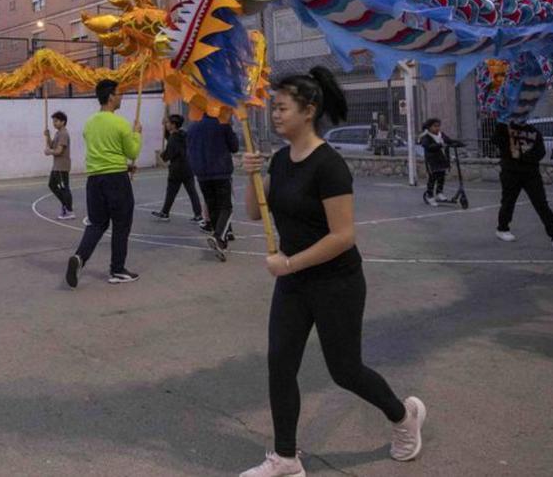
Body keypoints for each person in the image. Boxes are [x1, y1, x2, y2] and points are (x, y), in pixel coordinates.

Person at [239, 67, 425, 476]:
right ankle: (286, 459)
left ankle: (403, 415)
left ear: (308, 111)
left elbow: (342, 237)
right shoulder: (280, 160)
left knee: (345, 371)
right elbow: (255, 213)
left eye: (282, 107)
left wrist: (288, 263)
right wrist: (251, 176)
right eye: (273, 107)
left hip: (335, 282)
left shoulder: (330, 165)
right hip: (293, 284)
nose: (274, 114)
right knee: (280, 364)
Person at [65, 79, 143, 288]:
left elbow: (103, 153)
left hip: (94, 180)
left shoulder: (90, 123)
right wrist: (137, 133)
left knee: (97, 223)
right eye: (119, 93)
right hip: (116, 180)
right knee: (121, 224)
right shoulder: (121, 123)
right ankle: (117, 269)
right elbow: (132, 152)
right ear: (110, 96)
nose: (121, 97)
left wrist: (125, 166)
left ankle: (80, 257)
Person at [493, 120, 553, 247]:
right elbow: (497, 141)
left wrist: (524, 158)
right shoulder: (504, 128)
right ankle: (502, 228)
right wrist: (502, 123)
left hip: (531, 173)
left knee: (541, 203)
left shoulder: (534, 131)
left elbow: (540, 151)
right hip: (510, 172)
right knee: (508, 201)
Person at [188, 113, 239, 261]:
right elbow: (234, 147)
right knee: (226, 207)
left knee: (212, 206)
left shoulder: (192, 128)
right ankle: (219, 236)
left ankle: (221, 242)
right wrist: (231, 129)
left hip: (202, 174)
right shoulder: (223, 124)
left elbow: (189, 151)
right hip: (221, 171)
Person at [151, 114, 202, 224]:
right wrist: (164, 125)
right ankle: (198, 214)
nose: (167, 124)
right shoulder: (183, 134)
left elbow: (169, 154)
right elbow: (168, 137)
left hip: (177, 169)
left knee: (171, 192)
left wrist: (162, 155)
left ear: (173, 125)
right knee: (192, 192)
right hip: (188, 167)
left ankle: (165, 213)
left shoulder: (174, 138)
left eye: (168, 123)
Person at [418, 118, 460, 205]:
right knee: (432, 178)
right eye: (435, 126)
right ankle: (430, 196)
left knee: (441, 176)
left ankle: (439, 193)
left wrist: (458, 143)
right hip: (431, 161)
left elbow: (449, 141)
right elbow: (428, 146)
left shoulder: (441, 135)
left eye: (438, 126)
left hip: (440, 159)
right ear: (429, 127)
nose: (437, 128)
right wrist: (439, 145)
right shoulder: (426, 136)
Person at [44, 111, 75, 220]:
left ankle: (69, 210)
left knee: (64, 188)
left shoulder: (63, 134)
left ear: (63, 122)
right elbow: (52, 145)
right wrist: (48, 137)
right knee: (52, 184)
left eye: (56, 121)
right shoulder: (58, 133)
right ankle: (65, 205)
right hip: (56, 166)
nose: (54, 123)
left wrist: (49, 152)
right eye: (53, 121)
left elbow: (59, 151)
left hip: (62, 165)